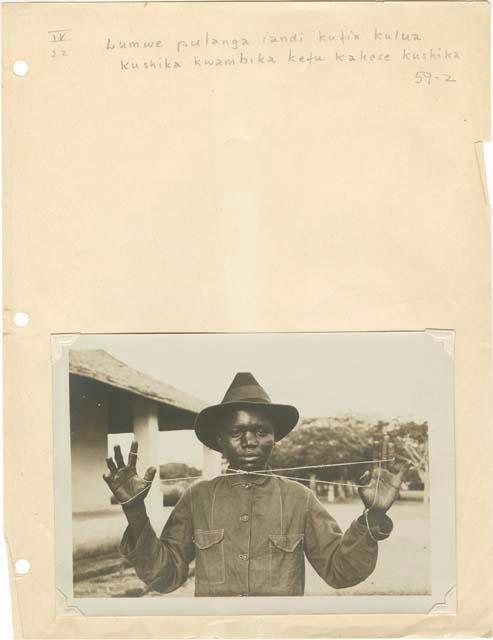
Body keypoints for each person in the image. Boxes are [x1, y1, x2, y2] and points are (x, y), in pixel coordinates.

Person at [103, 372, 406, 597]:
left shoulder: (300, 498)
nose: (249, 441)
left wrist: (373, 517)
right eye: (237, 432)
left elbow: (341, 571)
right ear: (220, 441)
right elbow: (164, 576)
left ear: (274, 439)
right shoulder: (197, 497)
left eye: (261, 431)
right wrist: (134, 510)